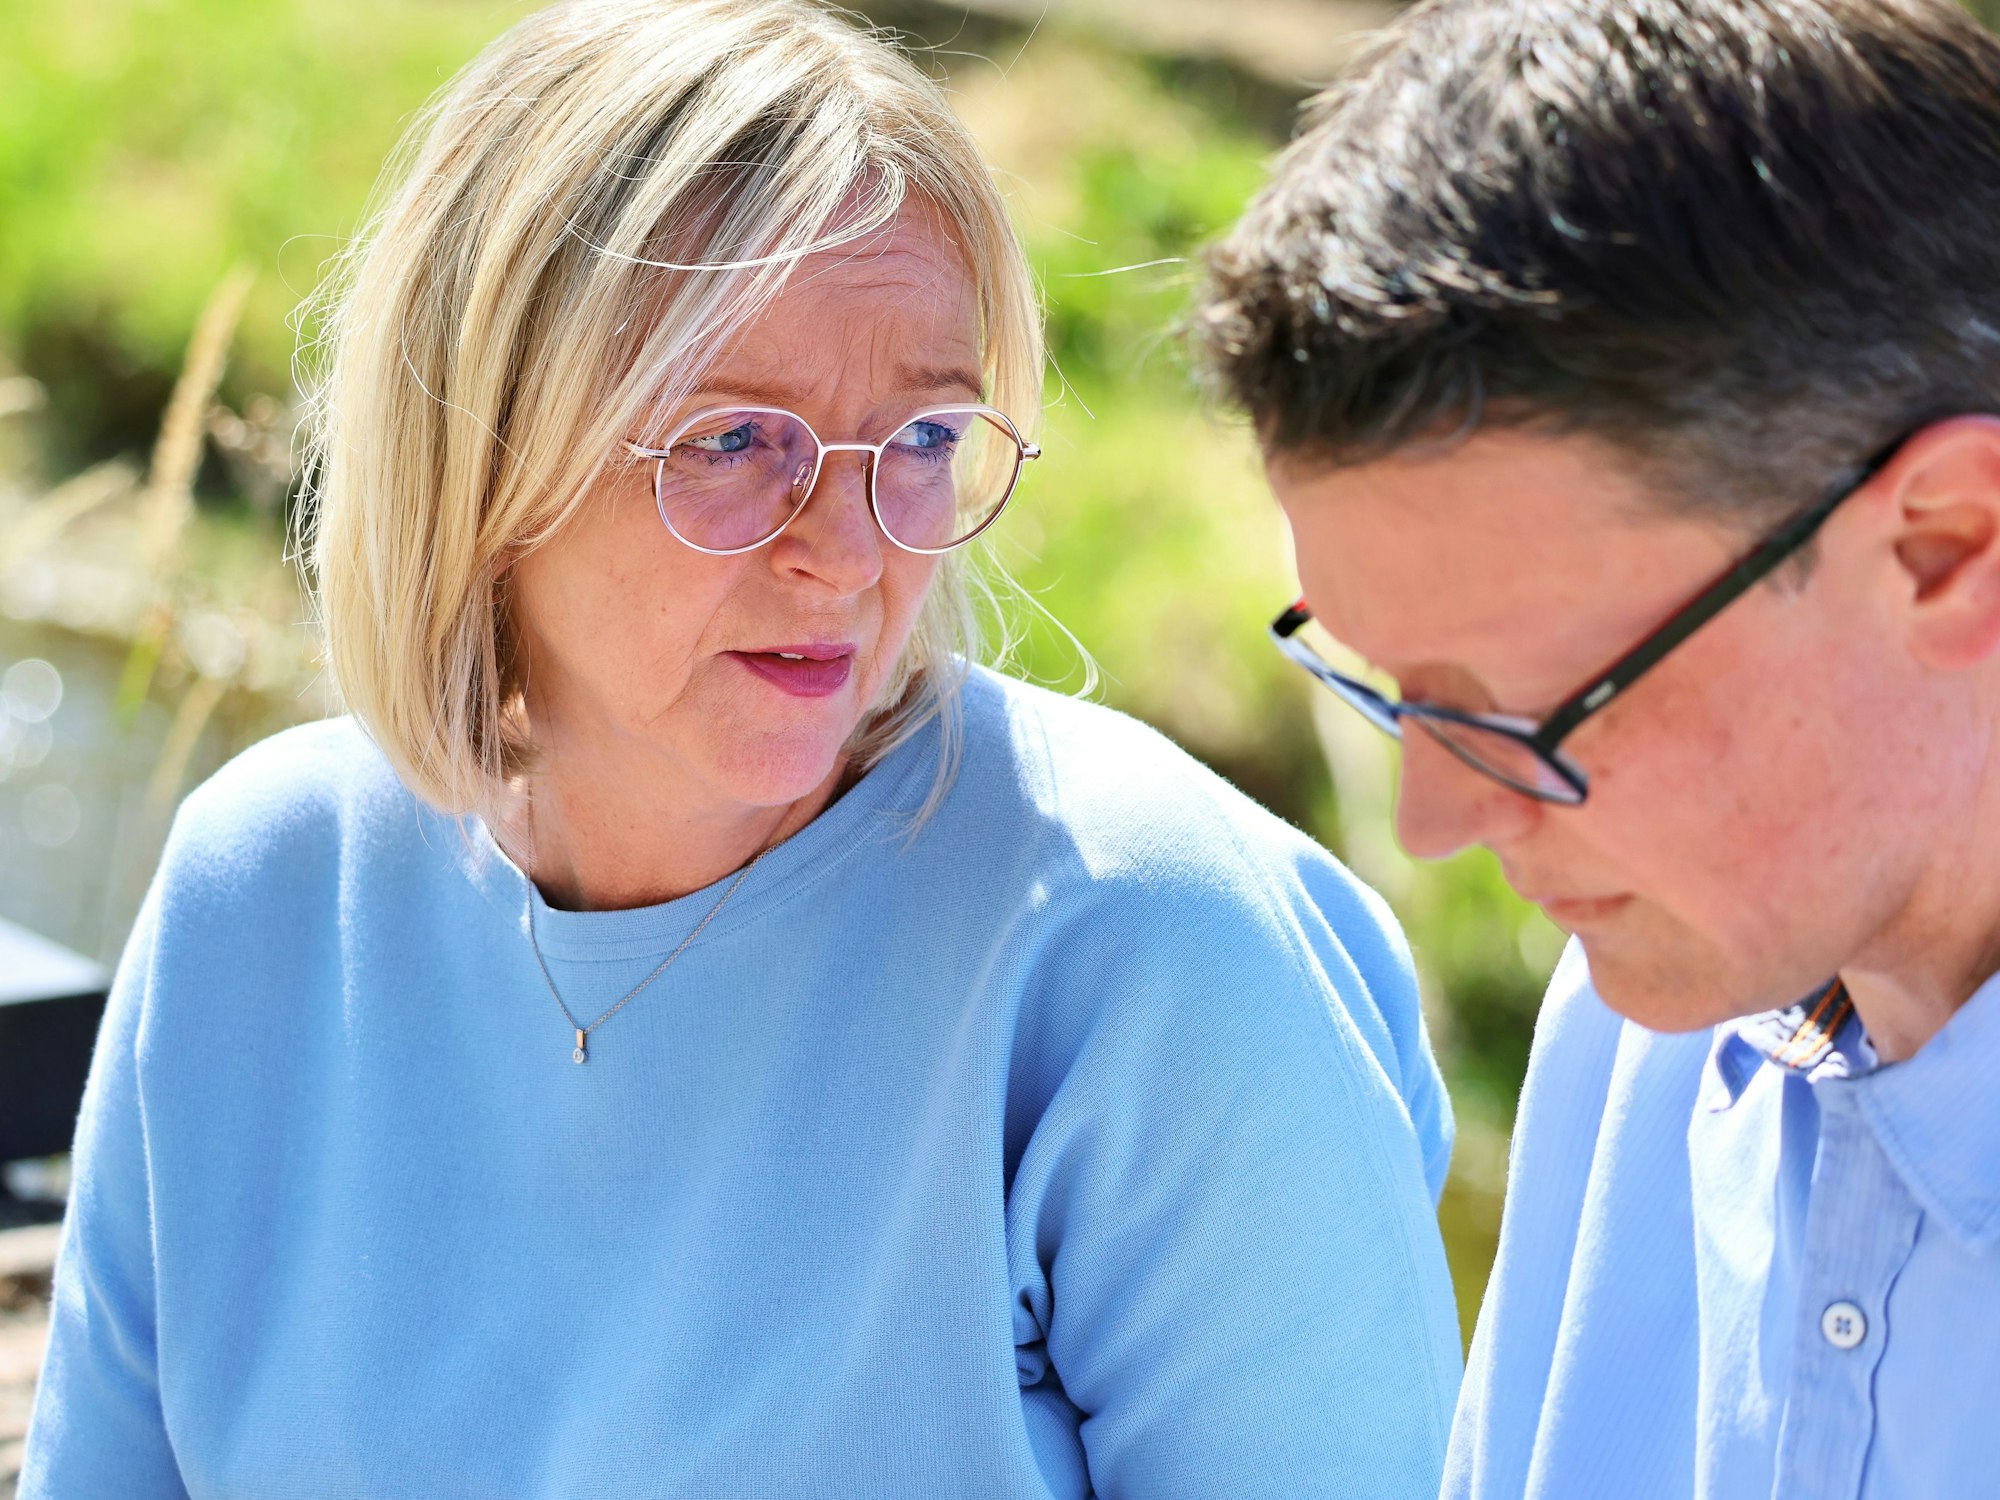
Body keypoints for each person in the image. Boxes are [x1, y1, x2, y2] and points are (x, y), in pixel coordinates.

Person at [22, 2, 1464, 1494]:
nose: (846, 557)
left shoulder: (1155, 948)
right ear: (484, 460)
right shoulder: (258, 889)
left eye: (921, 438)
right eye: (728, 441)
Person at [1195, 0, 2000, 1495]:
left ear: (1948, 546)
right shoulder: (1642, 1021)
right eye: (1395, 686)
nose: (1433, 821)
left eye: (1527, 706)